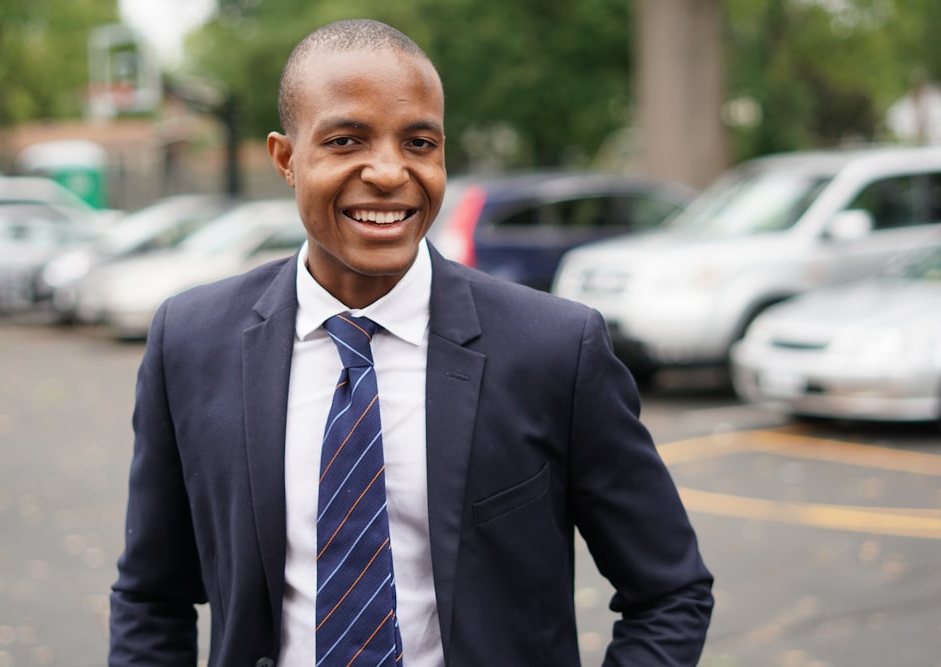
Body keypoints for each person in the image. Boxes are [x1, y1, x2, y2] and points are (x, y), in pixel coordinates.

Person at [109, 18, 713, 667]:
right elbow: (153, 596)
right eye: (347, 140)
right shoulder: (192, 342)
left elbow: (669, 590)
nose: (391, 172)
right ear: (286, 159)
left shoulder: (556, 351)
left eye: (419, 142)